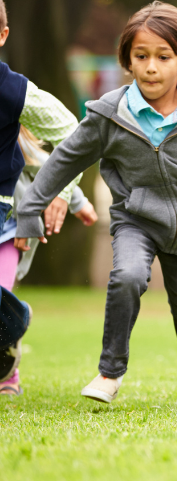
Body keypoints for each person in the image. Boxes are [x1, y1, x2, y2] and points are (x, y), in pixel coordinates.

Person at [15, 1, 177, 407]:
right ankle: (109, 372)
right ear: (128, 61)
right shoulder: (109, 114)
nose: (151, 67)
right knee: (127, 277)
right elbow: (65, 158)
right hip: (135, 218)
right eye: (141, 56)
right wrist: (30, 209)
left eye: (163, 57)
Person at [0, 0, 91, 393]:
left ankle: (9, 345)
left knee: (0, 300)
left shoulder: (13, 91)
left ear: (2, 35)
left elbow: (72, 135)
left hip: (5, 218)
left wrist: (64, 192)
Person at [0, 128, 99, 395]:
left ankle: (7, 377)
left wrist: (77, 202)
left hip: (7, 234)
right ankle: (16, 316)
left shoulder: (9, 134)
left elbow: (50, 167)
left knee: (0, 299)